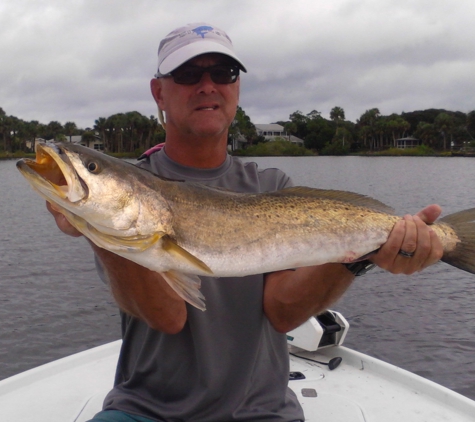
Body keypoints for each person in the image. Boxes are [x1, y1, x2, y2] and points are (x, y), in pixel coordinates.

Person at [48, 23, 443, 422]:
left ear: (236, 88)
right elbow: (169, 317)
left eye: (223, 73)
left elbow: (284, 313)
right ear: (159, 92)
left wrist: (364, 255)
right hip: (146, 410)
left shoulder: (272, 188)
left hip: (262, 412)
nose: (207, 86)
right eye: (187, 74)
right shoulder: (135, 193)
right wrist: (93, 227)